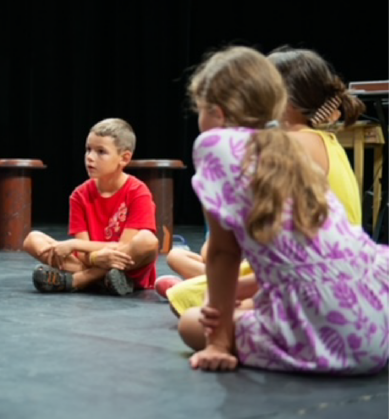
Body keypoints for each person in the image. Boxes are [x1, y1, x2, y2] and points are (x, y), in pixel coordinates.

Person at [179, 45, 389, 374]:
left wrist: (218, 342)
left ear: (217, 113)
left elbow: (222, 252)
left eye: (200, 109)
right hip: (377, 315)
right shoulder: (292, 148)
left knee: (192, 323)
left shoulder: (217, 144)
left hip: (340, 340)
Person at [160, 47, 367, 315]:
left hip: (311, 271)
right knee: (179, 257)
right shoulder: (324, 140)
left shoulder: (289, 145)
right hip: (333, 268)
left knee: (191, 309)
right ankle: (209, 287)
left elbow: (242, 243)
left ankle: (205, 288)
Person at [24, 118, 159, 295]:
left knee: (147, 241)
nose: (90, 157)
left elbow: (124, 248)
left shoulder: (138, 191)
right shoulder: (79, 195)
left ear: (124, 158)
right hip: (91, 261)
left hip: (125, 265)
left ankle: (80, 280)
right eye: (88, 149)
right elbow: (82, 252)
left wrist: (75, 245)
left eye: (101, 152)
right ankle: (102, 279)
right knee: (32, 239)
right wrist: (96, 257)